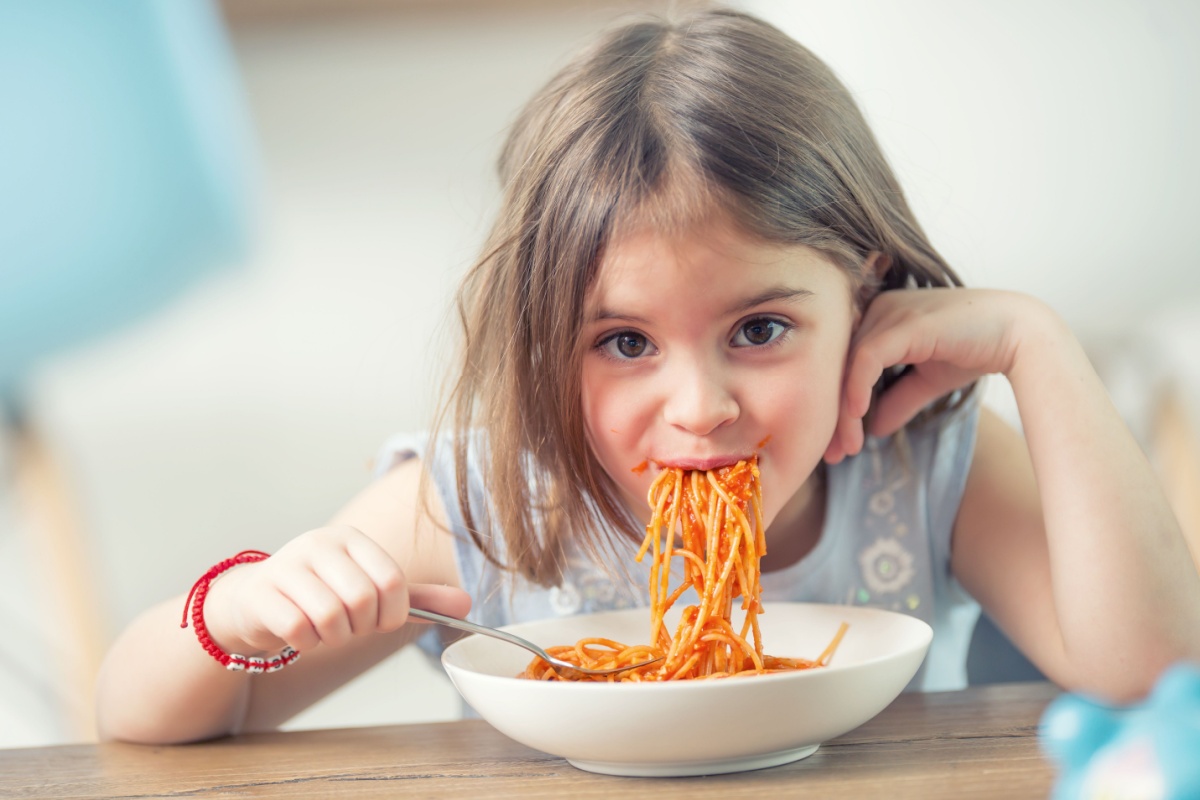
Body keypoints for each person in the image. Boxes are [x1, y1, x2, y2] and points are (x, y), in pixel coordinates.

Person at [95, 7, 1200, 744]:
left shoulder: (925, 466)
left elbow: (1148, 671)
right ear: (543, 339)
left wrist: (1035, 343)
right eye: (624, 343)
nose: (699, 406)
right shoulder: (485, 506)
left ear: (865, 289)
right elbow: (139, 719)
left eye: (760, 328)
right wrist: (232, 610)